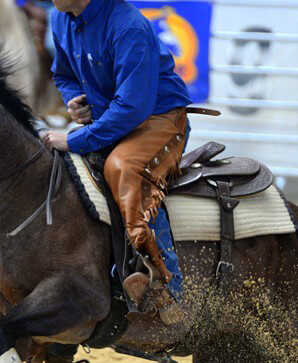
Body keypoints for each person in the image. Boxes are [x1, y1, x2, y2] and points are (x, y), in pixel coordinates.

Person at [42, 0, 192, 324]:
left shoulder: (128, 26)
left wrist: (74, 138)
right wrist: (73, 100)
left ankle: (168, 286)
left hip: (159, 120)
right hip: (113, 117)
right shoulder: (60, 18)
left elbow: (133, 108)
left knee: (123, 168)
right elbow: (64, 74)